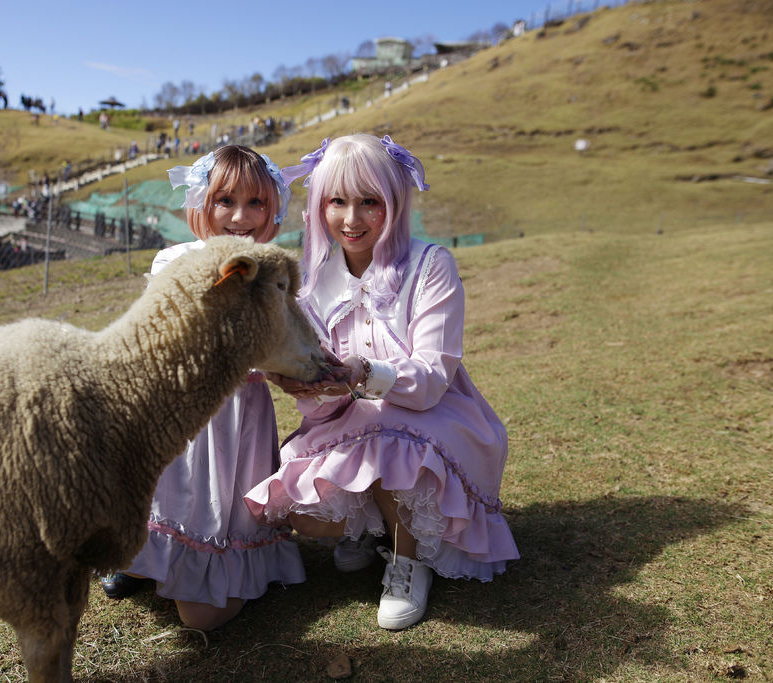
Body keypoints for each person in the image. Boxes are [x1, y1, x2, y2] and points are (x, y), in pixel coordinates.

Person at [244, 134, 519, 631]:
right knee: (302, 512)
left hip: (433, 416)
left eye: (370, 202)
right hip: (348, 422)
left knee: (390, 430)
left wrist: (364, 373)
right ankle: (371, 525)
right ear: (318, 205)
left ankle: (406, 562)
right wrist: (310, 386)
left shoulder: (430, 265)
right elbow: (325, 406)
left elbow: (433, 378)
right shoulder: (310, 282)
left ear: (394, 202)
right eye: (337, 201)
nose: (352, 219)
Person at [99, 145, 307, 631]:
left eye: (256, 203)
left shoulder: (277, 267)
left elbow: (290, 347)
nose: (240, 216)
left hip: (239, 428)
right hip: (183, 420)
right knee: (154, 509)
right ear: (200, 202)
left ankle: (225, 562)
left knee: (203, 621)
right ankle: (141, 558)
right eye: (225, 201)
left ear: (273, 209)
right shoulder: (175, 260)